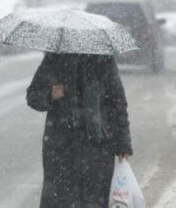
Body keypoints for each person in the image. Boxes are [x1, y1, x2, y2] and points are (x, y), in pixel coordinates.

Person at [26, 52, 133, 208]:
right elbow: (33, 96)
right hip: (61, 148)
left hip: (97, 147)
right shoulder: (54, 59)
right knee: (60, 200)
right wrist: (51, 94)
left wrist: (123, 143)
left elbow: (118, 103)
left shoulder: (103, 59)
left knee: (93, 200)